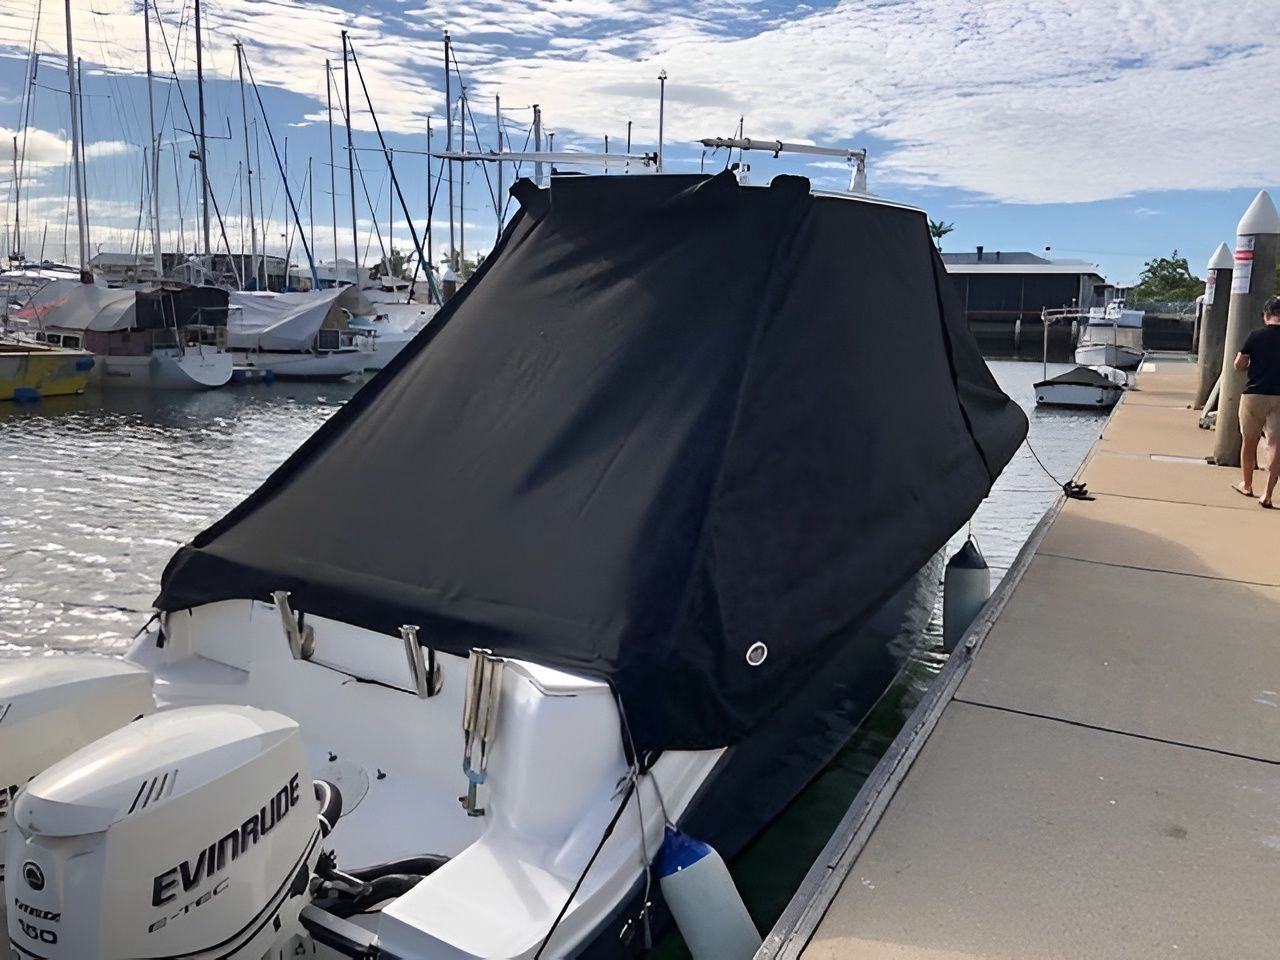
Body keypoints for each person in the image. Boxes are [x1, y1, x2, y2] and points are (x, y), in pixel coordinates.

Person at [1233, 295, 1280, 507]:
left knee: (1249, 441)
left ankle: (1247, 484)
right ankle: (1268, 493)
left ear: (1266, 315)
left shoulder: (1255, 336)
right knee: (1275, 445)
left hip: (1255, 394)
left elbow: (1238, 365)